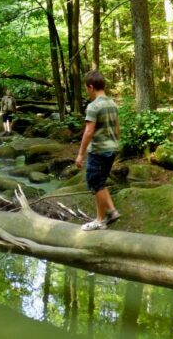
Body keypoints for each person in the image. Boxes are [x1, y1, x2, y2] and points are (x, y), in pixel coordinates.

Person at [74, 70, 122, 231]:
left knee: (95, 184)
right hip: (112, 148)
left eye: (86, 88)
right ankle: (112, 211)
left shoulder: (93, 106)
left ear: (91, 87)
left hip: (98, 150)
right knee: (100, 182)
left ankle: (100, 220)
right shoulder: (112, 104)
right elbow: (117, 127)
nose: (86, 91)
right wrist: (116, 144)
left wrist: (80, 154)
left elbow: (88, 132)